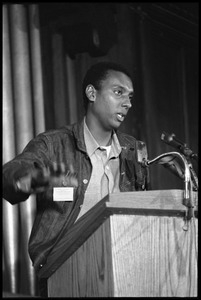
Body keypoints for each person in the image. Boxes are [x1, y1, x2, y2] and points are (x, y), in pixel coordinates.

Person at [3, 61, 150, 296]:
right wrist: (31, 178)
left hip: (126, 271)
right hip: (63, 273)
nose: (128, 103)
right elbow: (10, 175)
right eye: (118, 92)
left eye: (130, 96)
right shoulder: (53, 144)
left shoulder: (133, 150)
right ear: (92, 93)